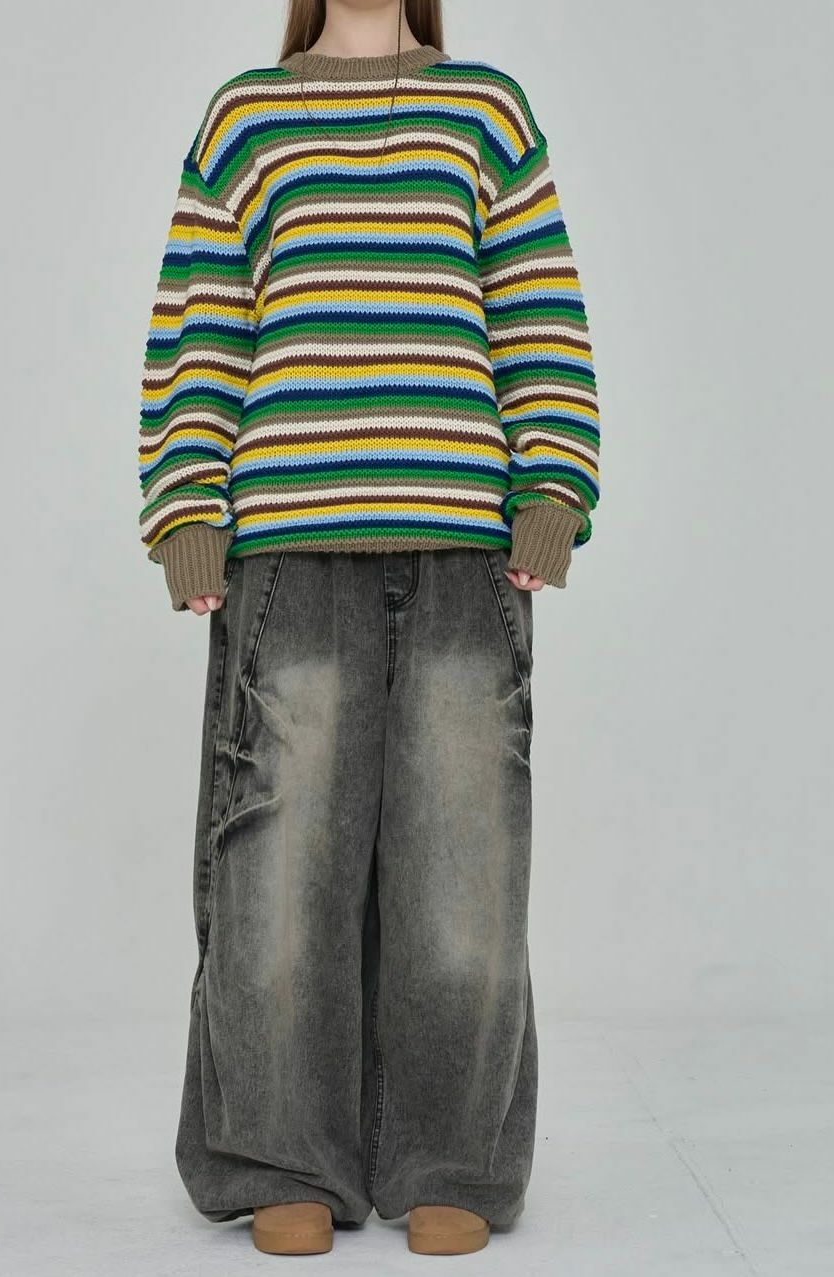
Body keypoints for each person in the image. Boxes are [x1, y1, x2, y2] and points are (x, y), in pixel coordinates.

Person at [137, 0, 600, 1257]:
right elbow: (201, 328)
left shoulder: (484, 109)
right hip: (287, 549)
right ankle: (281, 1155)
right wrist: (187, 511)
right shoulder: (246, 117)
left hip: (464, 550)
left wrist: (552, 490)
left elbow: (538, 316)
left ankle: (450, 1157)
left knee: (464, 866)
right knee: (280, 865)